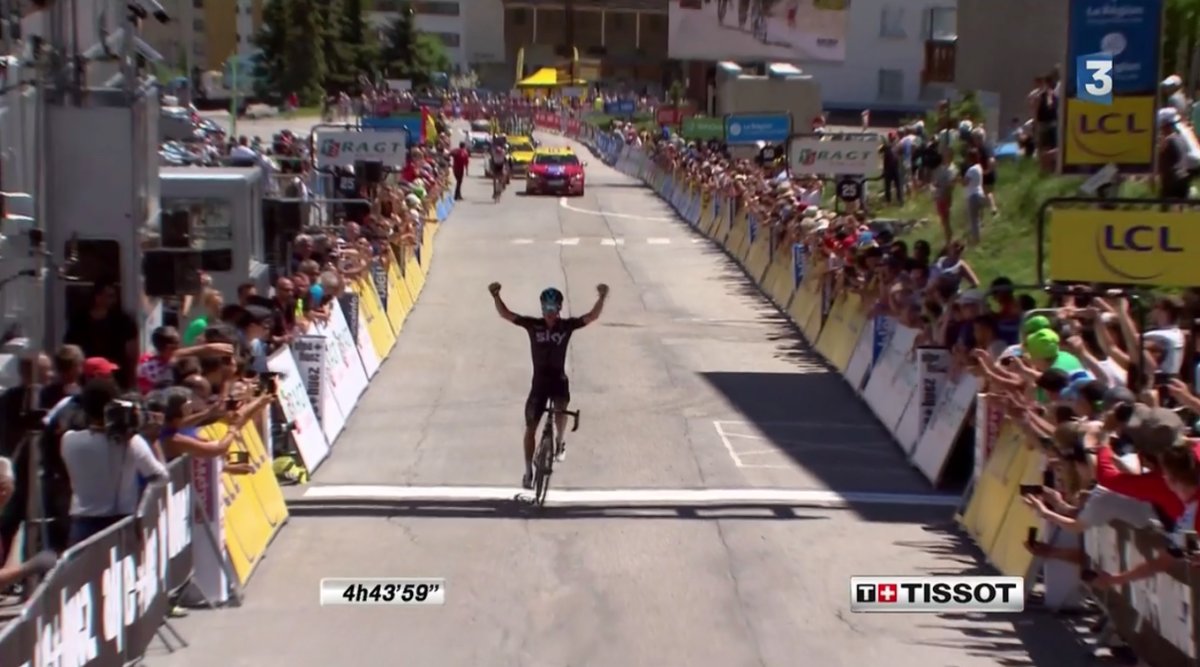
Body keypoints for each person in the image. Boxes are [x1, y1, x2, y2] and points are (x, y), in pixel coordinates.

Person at [488, 281, 609, 489]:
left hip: (558, 380)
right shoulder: (534, 325)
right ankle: (528, 472)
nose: (549, 313)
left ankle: (560, 443)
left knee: (561, 408)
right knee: (530, 428)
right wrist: (496, 296)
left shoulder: (566, 326)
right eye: (545, 308)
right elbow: (506, 314)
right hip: (539, 384)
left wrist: (601, 298)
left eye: (552, 309)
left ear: (559, 309)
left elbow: (591, 317)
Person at [60, 377, 167, 546]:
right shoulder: (130, 442)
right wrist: (153, 441)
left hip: (82, 526)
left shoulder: (68, 440)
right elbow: (160, 476)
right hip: (120, 526)